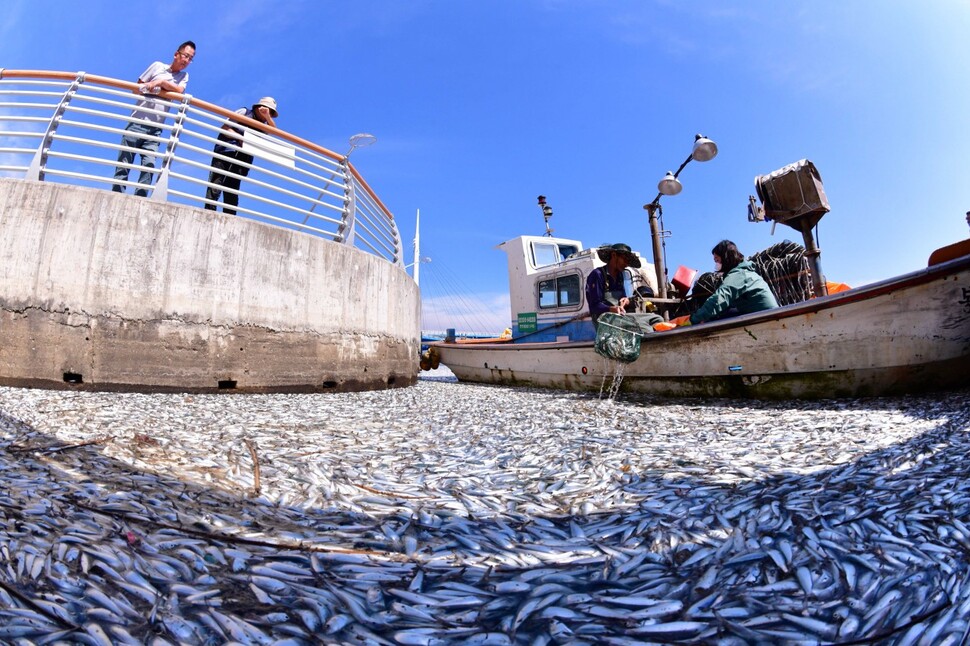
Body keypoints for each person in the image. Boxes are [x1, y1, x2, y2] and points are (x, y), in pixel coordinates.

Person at [112, 41, 195, 196]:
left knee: (148, 167)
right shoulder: (157, 66)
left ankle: (140, 202)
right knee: (123, 165)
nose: (186, 61)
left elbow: (179, 92)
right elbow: (137, 89)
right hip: (137, 122)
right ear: (176, 54)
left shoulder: (184, 76)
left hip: (155, 129)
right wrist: (154, 87)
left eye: (190, 59)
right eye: (185, 56)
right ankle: (117, 197)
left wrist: (161, 83)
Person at [204, 97, 279, 215]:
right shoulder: (245, 112)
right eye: (266, 108)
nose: (266, 112)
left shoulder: (264, 125)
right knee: (216, 182)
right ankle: (208, 213)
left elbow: (274, 132)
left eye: (270, 111)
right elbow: (225, 127)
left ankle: (230, 217)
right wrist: (240, 139)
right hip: (226, 151)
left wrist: (268, 117)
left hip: (242, 159)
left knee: (232, 188)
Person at [681, 240, 778, 326]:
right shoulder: (745, 272)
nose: (716, 265)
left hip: (767, 319)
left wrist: (693, 320)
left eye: (717, 260)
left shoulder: (738, 275)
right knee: (723, 314)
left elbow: (718, 299)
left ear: (726, 258)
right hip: (760, 313)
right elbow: (727, 305)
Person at [586, 243, 641, 325]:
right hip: (605, 320)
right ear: (614, 255)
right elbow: (594, 306)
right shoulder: (597, 274)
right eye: (625, 260)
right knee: (642, 327)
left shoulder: (620, 276)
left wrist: (626, 301)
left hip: (620, 316)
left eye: (628, 262)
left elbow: (622, 297)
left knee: (656, 319)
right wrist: (610, 309)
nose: (626, 264)